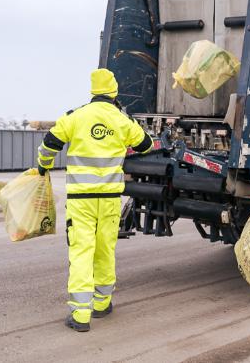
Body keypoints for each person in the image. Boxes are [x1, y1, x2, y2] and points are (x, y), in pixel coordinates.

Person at [37, 68, 154, 332]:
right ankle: (102, 303)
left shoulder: (75, 117)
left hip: (81, 200)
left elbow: (49, 144)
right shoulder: (122, 120)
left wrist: (43, 166)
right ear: (114, 92)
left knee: (81, 251)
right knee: (105, 249)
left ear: (93, 91)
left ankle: (80, 315)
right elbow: (146, 145)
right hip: (110, 199)